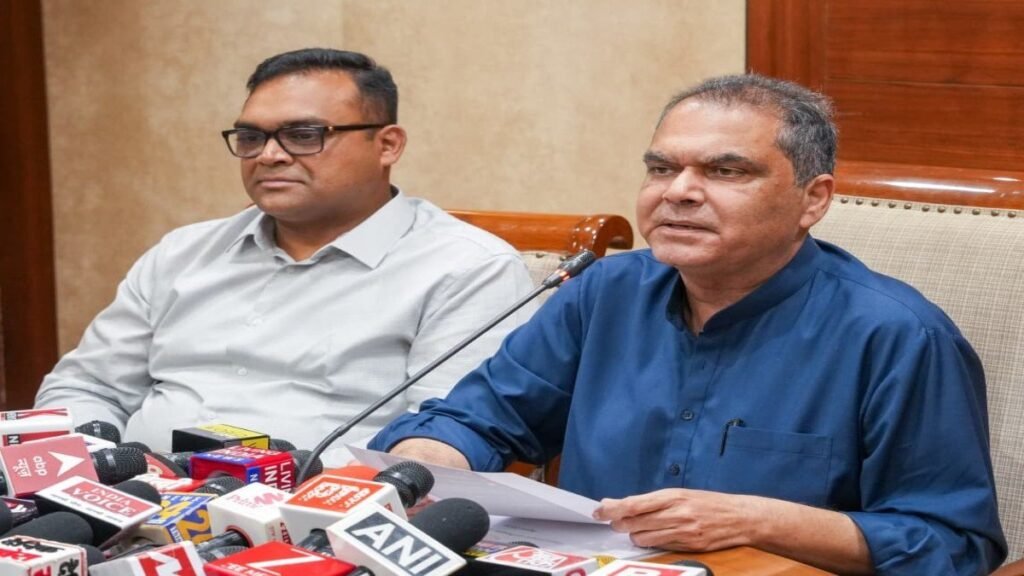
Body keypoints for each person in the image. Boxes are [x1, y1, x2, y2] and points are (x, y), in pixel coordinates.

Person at [370, 74, 1007, 574]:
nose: (678, 191)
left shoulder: (898, 336)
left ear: (812, 199)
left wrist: (759, 521)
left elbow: (952, 545)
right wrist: (427, 462)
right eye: (661, 168)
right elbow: (478, 418)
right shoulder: (604, 291)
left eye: (726, 171)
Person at [35, 48, 536, 463]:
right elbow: (86, 388)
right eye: (251, 137)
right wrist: (91, 468)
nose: (269, 155)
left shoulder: (467, 269)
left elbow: (446, 439)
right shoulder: (183, 253)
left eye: (303, 136)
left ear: (387, 145)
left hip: (316, 519)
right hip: (132, 503)